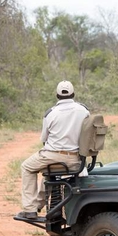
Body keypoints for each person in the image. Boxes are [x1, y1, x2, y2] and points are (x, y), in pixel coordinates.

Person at [16, 81, 90, 220]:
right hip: (75, 160)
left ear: (57, 95)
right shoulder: (84, 111)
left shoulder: (50, 113)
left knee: (26, 167)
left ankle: (30, 209)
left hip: (52, 155)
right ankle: (38, 204)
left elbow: (44, 139)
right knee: (50, 171)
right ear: (73, 94)